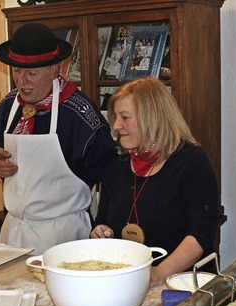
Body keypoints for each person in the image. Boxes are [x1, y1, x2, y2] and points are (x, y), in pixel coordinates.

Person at [0, 22, 117, 254]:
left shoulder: (81, 116)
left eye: (31, 73)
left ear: (54, 70)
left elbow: (110, 178)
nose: (22, 80)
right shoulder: (8, 107)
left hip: (63, 235)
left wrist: (103, 225)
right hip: (14, 230)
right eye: (16, 71)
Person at [90, 77, 219, 285]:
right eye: (116, 117)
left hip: (184, 284)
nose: (116, 126)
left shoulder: (191, 162)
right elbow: (102, 220)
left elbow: (200, 235)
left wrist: (158, 274)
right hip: (130, 282)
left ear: (152, 118)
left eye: (125, 117)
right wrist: (101, 231)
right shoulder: (117, 167)